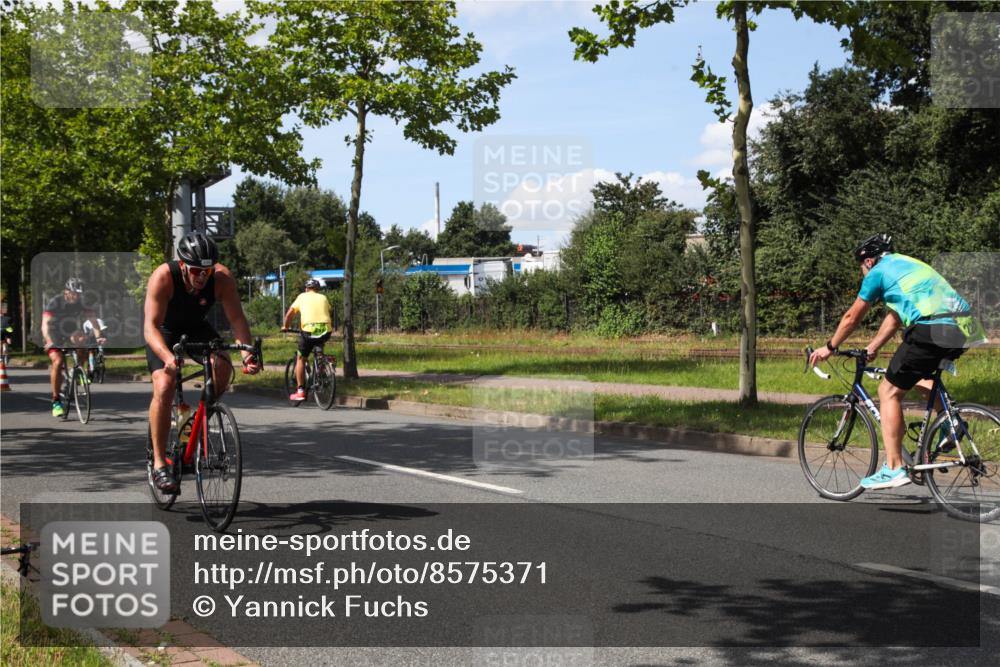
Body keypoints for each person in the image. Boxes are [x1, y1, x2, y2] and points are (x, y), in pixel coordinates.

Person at [809, 233, 983, 490]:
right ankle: (950, 422)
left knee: (888, 391)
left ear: (868, 261)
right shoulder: (908, 265)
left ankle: (893, 467)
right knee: (918, 375)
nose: (862, 273)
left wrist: (829, 347)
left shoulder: (878, 272)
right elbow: (894, 318)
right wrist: (872, 347)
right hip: (965, 327)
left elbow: (851, 318)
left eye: (861, 268)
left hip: (933, 328)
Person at [144, 231, 261, 492]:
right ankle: (160, 464)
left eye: (206, 271)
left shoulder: (222, 278)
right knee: (164, 384)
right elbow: (150, 327)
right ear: (183, 265)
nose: (201, 277)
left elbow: (237, 319)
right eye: (196, 270)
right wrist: (168, 358)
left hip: (196, 327)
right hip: (164, 331)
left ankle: (197, 423)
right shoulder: (163, 277)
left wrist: (247, 354)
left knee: (223, 366)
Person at [41, 278, 106, 417]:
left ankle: (77, 370)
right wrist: (49, 340)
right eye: (74, 293)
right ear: (66, 292)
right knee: (58, 362)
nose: (76, 297)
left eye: (79, 294)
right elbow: (45, 325)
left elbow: (93, 321)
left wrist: (99, 336)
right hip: (53, 332)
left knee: (82, 341)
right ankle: (56, 401)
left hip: (70, 330)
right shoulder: (55, 302)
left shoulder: (82, 302)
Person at [282, 278, 333, 401]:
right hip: (326, 330)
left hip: (308, 331)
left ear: (306, 289)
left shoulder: (302, 297)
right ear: (317, 289)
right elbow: (328, 311)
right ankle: (322, 368)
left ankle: (300, 391)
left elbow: (289, 314)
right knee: (319, 345)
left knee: (301, 358)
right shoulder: (323, 297)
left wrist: (285, 327)